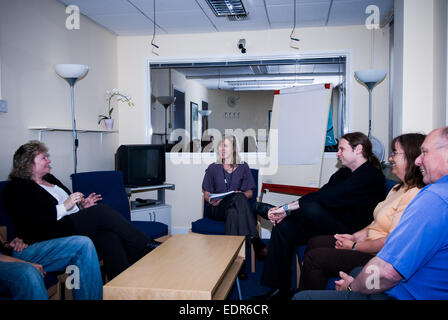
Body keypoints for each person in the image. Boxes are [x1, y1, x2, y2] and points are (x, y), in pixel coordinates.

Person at [294, 126, 448, 300]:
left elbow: (389, 269)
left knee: (315, 261)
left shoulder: (430, 197)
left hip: (392, 281)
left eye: (425, 153)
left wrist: (351, 283)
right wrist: (354, 237)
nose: (390, 158)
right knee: (316, 240)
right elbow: (375, 224)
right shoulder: (398, 188)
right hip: (380, 261)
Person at [2, 140, 161, 281]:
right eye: (43, 157)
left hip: (68, 224)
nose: (49, 160)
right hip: (48, 233)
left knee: (109, 236)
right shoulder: (16, 188)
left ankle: (121, 287)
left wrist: (81, 206)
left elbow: (69, 206)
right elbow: (30, 221)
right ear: (28, 163)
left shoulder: (49, 179)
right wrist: (66, 206)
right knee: (101, 211)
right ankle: (144, 245)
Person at [255, 132, 386, 300]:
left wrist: (287, 208)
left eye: (341, 149)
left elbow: (329, 198)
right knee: (284, 227)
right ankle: (280, 290)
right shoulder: (344, 173)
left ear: (358, 149)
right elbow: (322, 193)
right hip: (333, 221)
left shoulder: (370, 175)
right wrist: (287, 211)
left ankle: (278, 211)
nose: (338, 153)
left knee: (312, 207)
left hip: (351, 231)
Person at [202, 135, 267, 260]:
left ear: (234, 149)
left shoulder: (243, 167)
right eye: (220, 146)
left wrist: (240, 195)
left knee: (234, 208)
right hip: (217, 208)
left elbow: (250, 193)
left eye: (225, 146)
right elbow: (206, 194)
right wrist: (210, 199)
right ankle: (255, 238)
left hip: (236, 209)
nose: (222, 148)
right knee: (237, 198)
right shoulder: (213, 168)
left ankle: (237, 264)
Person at [0, 233, 102, 300]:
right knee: (28, 273)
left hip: (9, 252)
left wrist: (6, 244)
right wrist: (21, 263)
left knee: (83, 244)